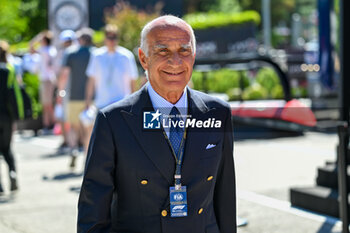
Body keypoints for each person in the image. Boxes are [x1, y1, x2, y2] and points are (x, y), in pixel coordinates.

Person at [78, 15, 236, 233]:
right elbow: (93, 211)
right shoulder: (114, 121)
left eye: (184, 50)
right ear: (143, 59)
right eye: (163, 51)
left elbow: (225, 196)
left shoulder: (218, 113)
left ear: (194, 56)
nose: (175, 61)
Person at [56, 28, 95, 168]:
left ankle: (73, 149)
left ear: (80, 40)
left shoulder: (70, 53)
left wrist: (60, 92)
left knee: (73, 126)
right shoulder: (96, 54)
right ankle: (86, 156)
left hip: (73, 95)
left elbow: (64, 74)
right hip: (92, 98)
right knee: (88, 129)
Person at [85, 24, 138, 110]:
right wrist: (88, 101)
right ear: (105, 38)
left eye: (114, 37)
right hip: (102, 103)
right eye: (109, 37)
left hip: (122, 103)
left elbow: (132, 81)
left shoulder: (126, 56)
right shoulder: (97, 55)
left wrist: (133, 104)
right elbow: (91, 80)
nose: (112, 41)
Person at [0, 40, 18, 194]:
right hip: (6, 115)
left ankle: (0, 186)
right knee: (7, 149)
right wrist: (16, 116)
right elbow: (13, 96)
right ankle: (13, 172)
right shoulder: (9, 71)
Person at [31, 31, 57, 134]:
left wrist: (37, 38)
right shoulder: (48, 50)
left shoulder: (46, 50)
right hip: (44, 79)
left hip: (48, 80)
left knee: (48, 104)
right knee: (45, 104)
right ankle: (47, 125)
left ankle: (51, 125)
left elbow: (31, 47)